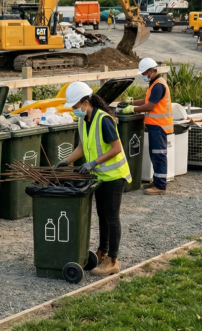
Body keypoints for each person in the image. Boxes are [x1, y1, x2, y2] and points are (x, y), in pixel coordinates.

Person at [54, 81, 132, 276]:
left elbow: (116, 148)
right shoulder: (83, 120)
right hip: (99, 176)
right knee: (102, 215)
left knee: (111, 217)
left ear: (85, 102)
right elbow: (81, 147)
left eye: (75, 106)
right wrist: (65, 161)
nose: (74, 110)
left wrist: (93, 162)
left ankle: (112, 261)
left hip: (114, 175)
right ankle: (102, 252)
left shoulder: (103, 119)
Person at [128, 58, 172, 195]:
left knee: (159, 156)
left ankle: (160, 186)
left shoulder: (158, 85)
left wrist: (132, 109)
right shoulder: (154, 83)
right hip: (155, 126)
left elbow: (150, 106)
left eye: (144, 73)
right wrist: (131, 102)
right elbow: (147, 101)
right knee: (155, 155)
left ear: (151, 71)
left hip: (159, 126)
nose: (142, 75)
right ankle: (157, 180)